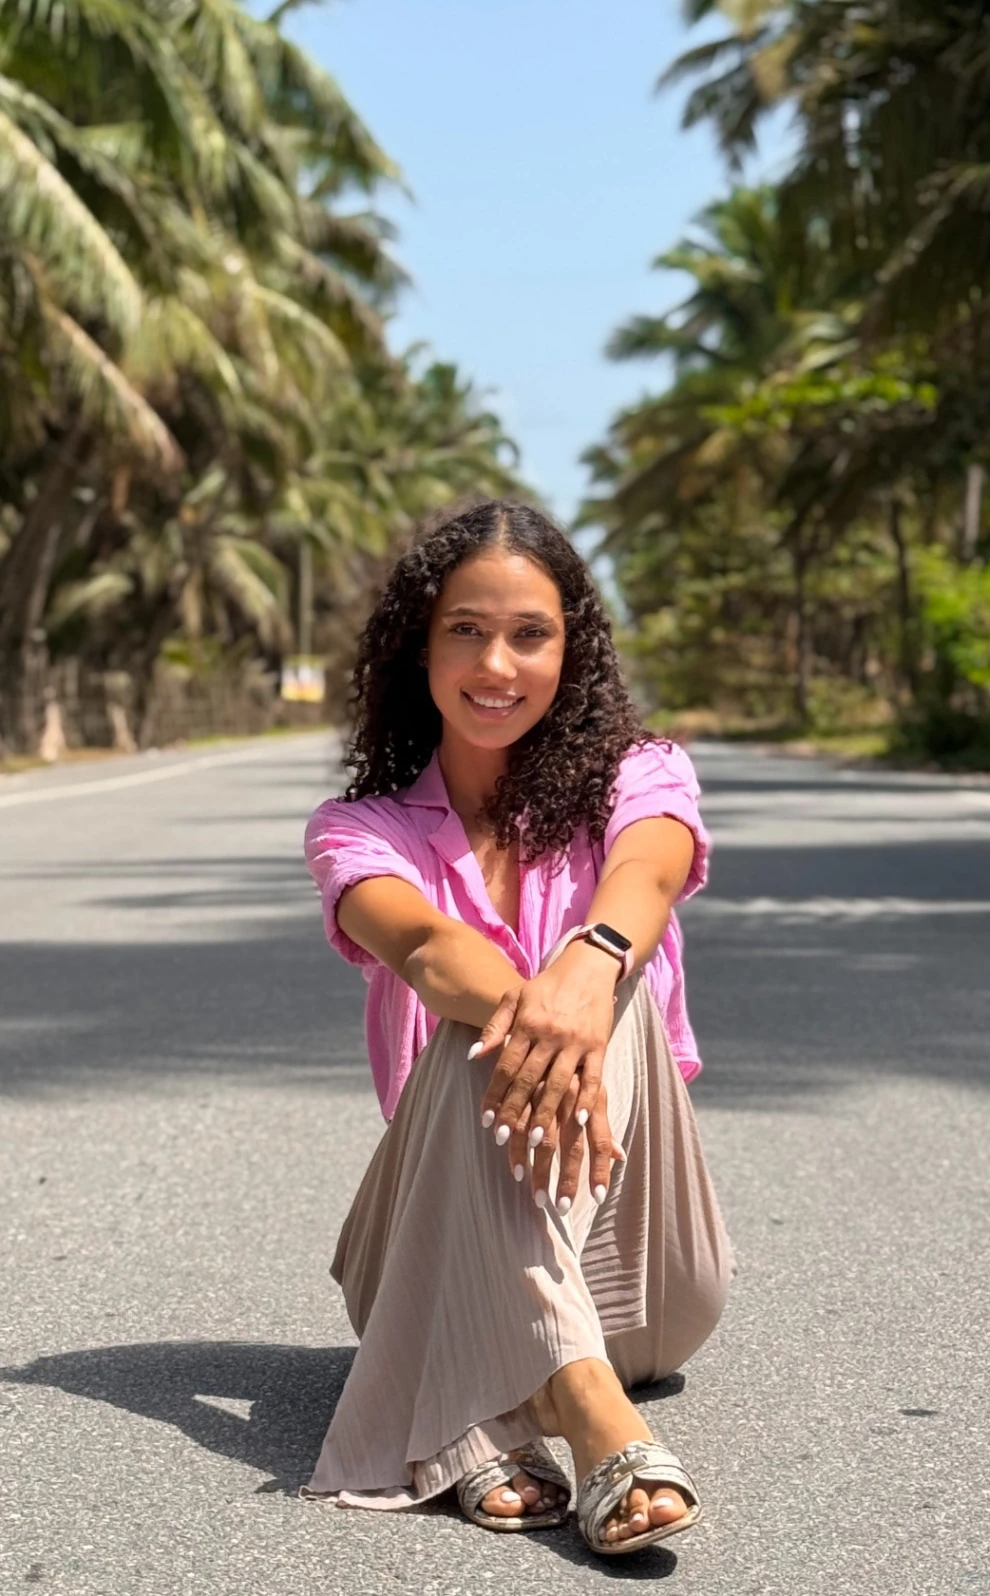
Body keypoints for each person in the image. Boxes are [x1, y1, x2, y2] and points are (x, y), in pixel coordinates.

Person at [302, 499, 733, 1558]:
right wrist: (535, 1008)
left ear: (569, 649)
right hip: (424, 1254)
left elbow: (648, 869)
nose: (496, 662)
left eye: (528, 633)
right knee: (482, 1001)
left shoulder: (640, 773)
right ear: (419, 645)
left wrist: (586, 968)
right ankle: (581, 1403)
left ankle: (491, 1406)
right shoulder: (358, 829)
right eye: (465, 628)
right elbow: (420, 945)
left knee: (603, 966)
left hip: (638, 1272)